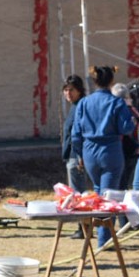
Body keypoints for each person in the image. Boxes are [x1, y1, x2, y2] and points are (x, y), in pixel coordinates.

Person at [71, 66, 137, 248]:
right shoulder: (117, 103)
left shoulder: (84, 103)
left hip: (88, 149)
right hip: (110, 149)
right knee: (109, 197)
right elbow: (126, 128)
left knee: (100, 191)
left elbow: (75, 134)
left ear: (94, 81)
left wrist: (79, 154)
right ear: (111, 82)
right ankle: (104, 240)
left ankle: (101, 235)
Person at [60, 75, 88, 239]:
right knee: (76, 192)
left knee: (78, 193)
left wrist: (79, 156)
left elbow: (80, 133)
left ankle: (83, 227)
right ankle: (83, 226)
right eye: (65, 90)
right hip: (72, 154)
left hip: (77, 156)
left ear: (79, 90)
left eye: (71, 90)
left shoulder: (81, 106)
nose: (68, 93)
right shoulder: (74, 106)